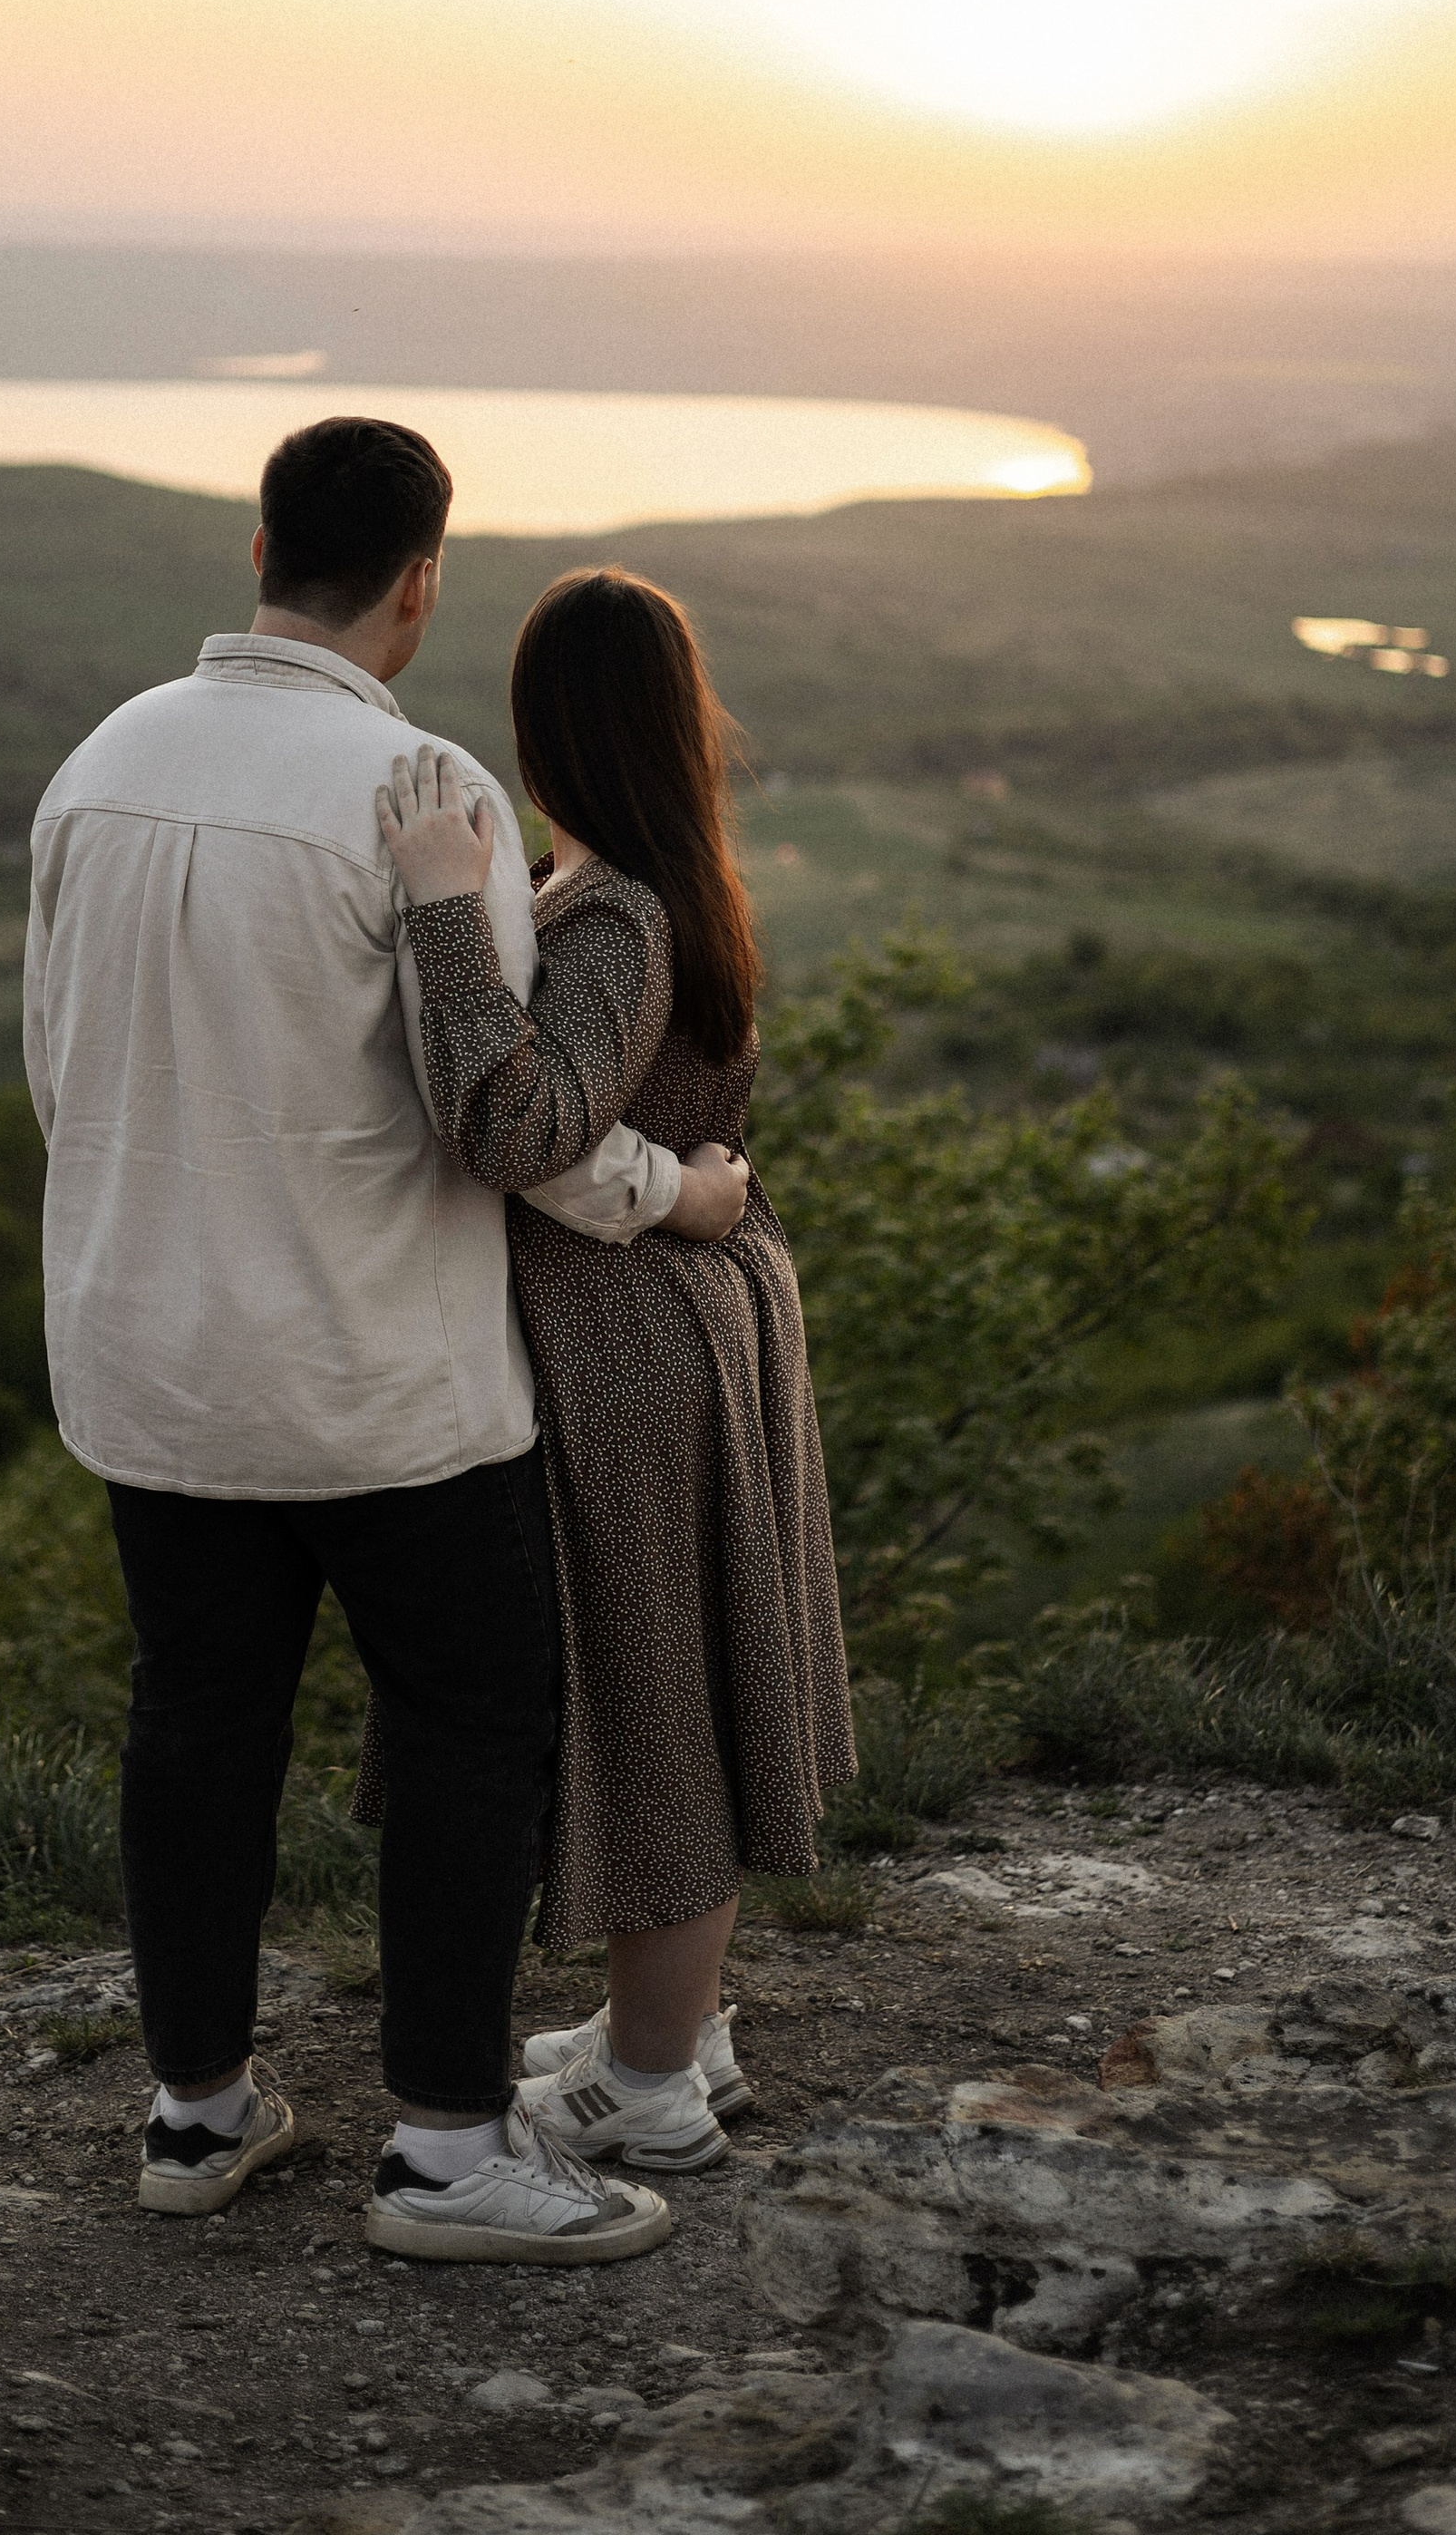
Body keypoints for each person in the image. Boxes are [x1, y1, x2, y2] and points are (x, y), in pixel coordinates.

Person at [23, 419, 745, 2268]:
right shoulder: (425, 792)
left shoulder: (97, 768)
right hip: (380, 1375)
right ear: (421, 578)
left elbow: (60, 1077)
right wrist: (683, 1196)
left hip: (148, 1352)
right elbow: (503, 1115)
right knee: (468, 1728)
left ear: (258, 540)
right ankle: (440, 2150)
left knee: (196, 1723)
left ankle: (196, 2113)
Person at [377, 564, 856, 2179]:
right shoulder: (672, 883)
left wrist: (447, 916)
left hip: (628, 1351)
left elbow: (518, 1125)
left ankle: (650, 2084)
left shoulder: (613, 919)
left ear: (549, 727)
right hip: (692, 1319)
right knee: (688, 1684)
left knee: (655, 1705)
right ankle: (676, 2028)